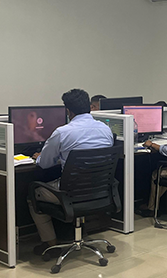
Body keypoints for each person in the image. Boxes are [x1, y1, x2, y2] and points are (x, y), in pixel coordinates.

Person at [30, 89, 114, 255]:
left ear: (68, 111)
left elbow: (45, 164)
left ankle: (50, 243)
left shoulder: (63, 132)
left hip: (71, 193)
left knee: (34, 193)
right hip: (98, 190)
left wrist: (40, 157)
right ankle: (79, 234)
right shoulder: (105, 129)